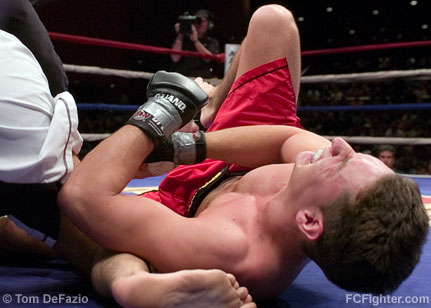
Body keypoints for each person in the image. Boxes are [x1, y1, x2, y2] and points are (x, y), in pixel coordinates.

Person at [58, 4, 428, 303]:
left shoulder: (233, 249)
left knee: (82, 210)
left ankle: (132, 287)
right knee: (274, 20)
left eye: (342, 163)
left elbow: (82, 197)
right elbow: (284, 138)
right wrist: (187, 146)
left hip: (183, 208)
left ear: (309, 221)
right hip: (239, 159)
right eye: (354, 152)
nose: (337, 145)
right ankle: (215, 102)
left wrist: (166, 109)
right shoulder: (318, 179)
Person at [170, 9, 220, 78]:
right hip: (183, 77)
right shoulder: (183, 40)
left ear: (209, 24)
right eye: (198, 20)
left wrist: (196, 41)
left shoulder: (212, 42)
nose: (201, 23)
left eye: (204, 21)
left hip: (202, 78)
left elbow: (208, 59)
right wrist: (180, 36)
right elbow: (175, 58)